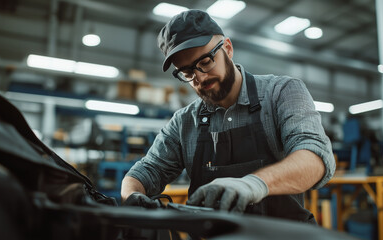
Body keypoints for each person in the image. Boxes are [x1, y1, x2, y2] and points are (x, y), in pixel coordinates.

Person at [121, 9, 335, 223]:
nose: (200, 77)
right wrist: (133, 196)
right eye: (187, 72)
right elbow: (147, 171)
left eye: (205, 62)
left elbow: (315, 158)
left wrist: (254, 184)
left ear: (228, 49)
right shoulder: (184, 122)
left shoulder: (281, 93)